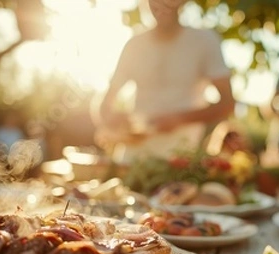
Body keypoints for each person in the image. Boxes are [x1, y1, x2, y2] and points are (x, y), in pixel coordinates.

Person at [95, 0, 234, 163]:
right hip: (130, 160)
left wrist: (179, 119)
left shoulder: (204, 41)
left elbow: (227, 104)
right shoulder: (134, 45)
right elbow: (104, 106)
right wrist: (116, 123)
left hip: (180, 162)